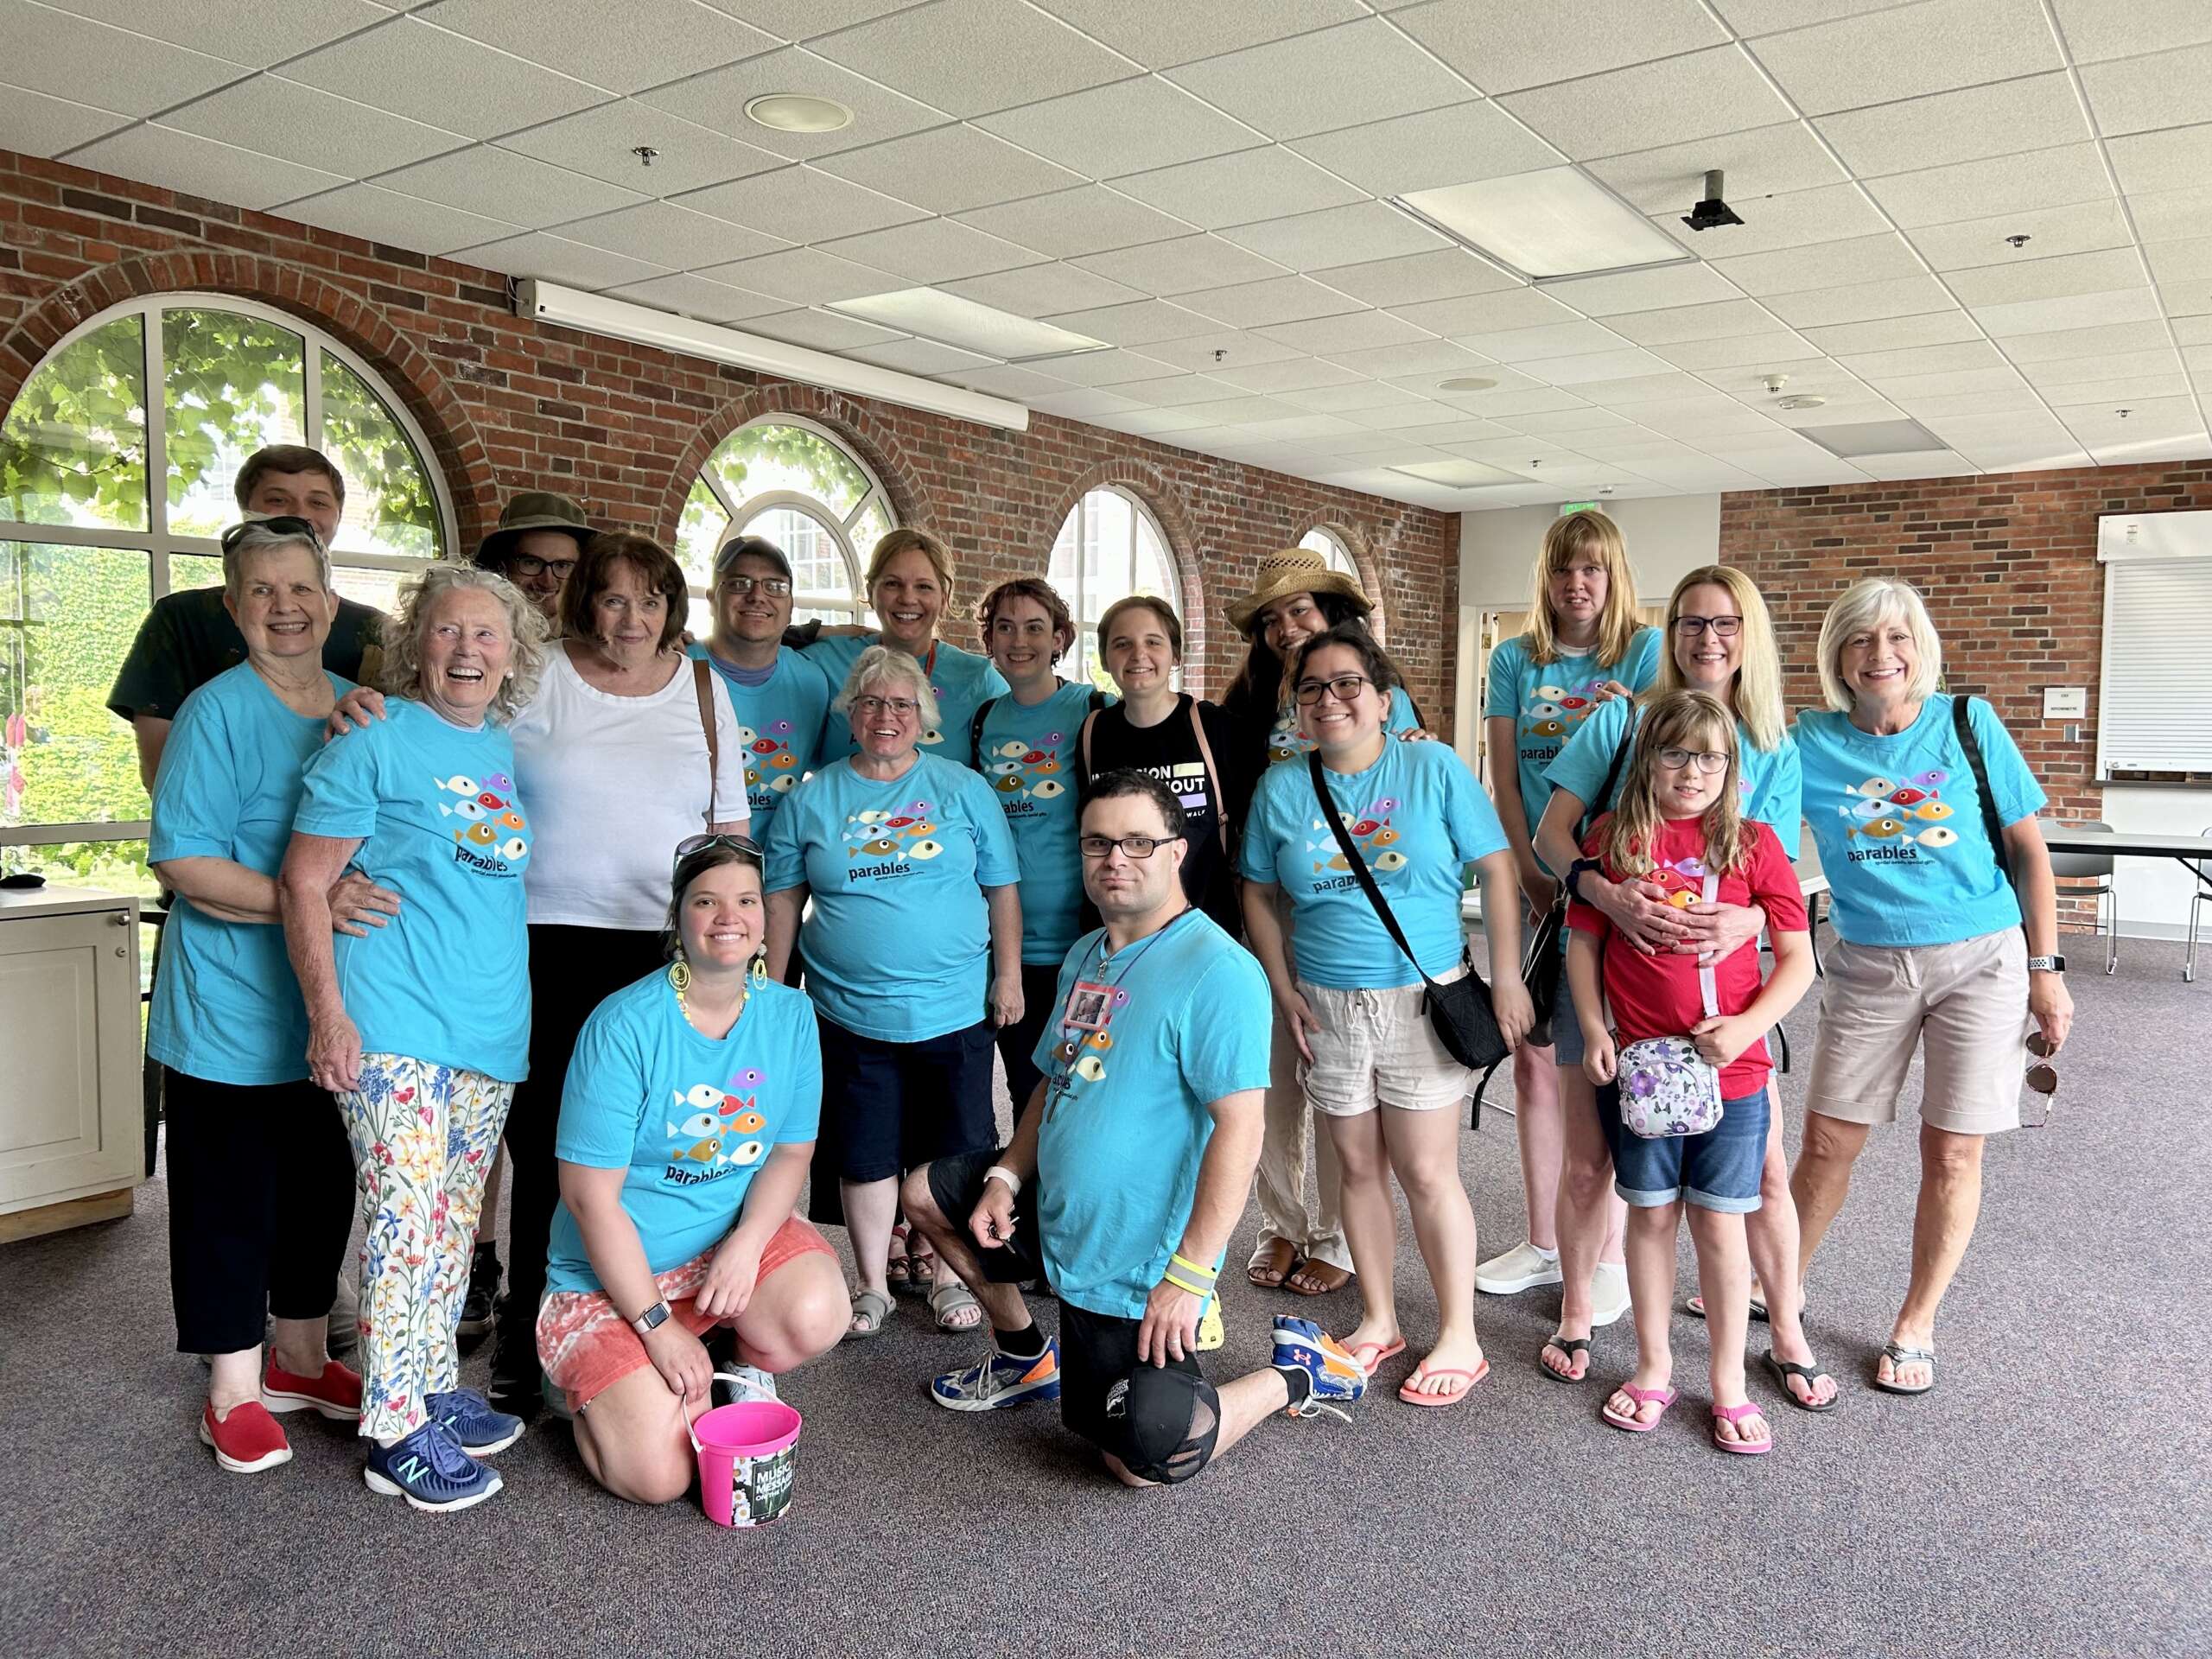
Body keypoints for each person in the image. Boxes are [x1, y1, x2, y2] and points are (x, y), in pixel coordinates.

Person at [903, 771, 1369, 1484]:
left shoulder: (1220, 971)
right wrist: (1004, 1177)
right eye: (1098, 843)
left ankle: (1299, 1375)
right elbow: (1054, 1082)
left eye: (1137, 842)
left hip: (1135, 1266)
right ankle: (1027, 1358)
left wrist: (1189, 1275)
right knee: (928, 1195)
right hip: (1061, 1216)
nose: (1115, 858)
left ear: (1177, 852)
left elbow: (1241, 1134)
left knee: (1147, 1460)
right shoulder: (1087, 955)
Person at [280, 563, 548, 1513]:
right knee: (406, 1219)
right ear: (415, 645)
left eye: (485, 635)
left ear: (511, 655)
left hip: (486, 1028)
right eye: (446, 631)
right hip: (392, 1020)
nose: (465, 650)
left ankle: (431, 1387)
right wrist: (329, 1017)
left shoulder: (500, 748)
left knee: (448, 1229)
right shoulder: (373, 740)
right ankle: (395, 1431)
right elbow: (305, 882)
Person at [1532, 565, 1831, 1410]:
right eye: (1693, 623)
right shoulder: (1626, 720)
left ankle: (1786, 1330)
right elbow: (1560, 838)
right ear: (1672, 635)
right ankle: (1582, 1315)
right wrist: (1602, 891)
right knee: (1596, 1165)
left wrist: (1749, 924)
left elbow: (1775, 868)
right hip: (1616, 983)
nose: (1709, 639)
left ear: (1750, 634)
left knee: (1756, 1178)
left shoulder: (1771, 739)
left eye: (1727, 623)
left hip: (1725, 1008)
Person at [1787, 577, 2070, 1396]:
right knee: (1829, 1141)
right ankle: (1782, 1284)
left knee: (1952, 1148)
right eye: (1863, 640)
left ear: (1922, 648)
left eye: (1899, 637)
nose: (1883, 656)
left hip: (1982, 960)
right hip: (1870, 963)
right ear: (1837, 655)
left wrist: (2047, 975)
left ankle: (1915, 1324)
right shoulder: (1807, 742)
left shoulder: (1966, 722)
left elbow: (2030, 854)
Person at [488, 531, 750, 1415]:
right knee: (549, 1145)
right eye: (611, 599)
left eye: (650, 601)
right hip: (543, 944)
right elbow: (456, 759)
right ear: (583, 605)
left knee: (663, 1145)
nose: (630, 618)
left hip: (659, 950)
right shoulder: (536, 678)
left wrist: (732, 956)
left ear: (673, 610)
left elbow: (729, 836)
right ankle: (531, 1330)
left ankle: (663, 1328)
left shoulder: (705, 691)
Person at [148, 519, 389, 1473]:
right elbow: (186, 862)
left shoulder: (356, 709)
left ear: (330, 603)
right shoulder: (214, 711)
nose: (285, 607)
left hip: (325, 1006)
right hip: (229, 1011)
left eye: (302, 590)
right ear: (231, 606)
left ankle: (298, 1358)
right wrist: (315, 904)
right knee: (229, 1199)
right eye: (262, 591)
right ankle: (233, 1390)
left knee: (320, 1187)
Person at [1239, 626, 1530, 1405]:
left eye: (1346, 684)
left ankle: (1460, 1337)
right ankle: (1378, 1319)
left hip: (1418, 997)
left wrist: (1505, 979)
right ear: (1297, 710)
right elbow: (1258, 895)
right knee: (1360, 1170)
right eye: (1311, 689)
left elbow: (1499, 870)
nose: (1328, 700)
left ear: (1383, 698)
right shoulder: (1282, 789)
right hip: (1328, 1008)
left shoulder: (1430, 768)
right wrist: (1282, 983)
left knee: (1428, 1172)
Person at [537, 836, 849, 1503]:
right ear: (678, 919)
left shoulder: (791, 1015)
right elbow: (591, 1201)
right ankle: (584, 1388)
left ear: (767, 920)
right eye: (705, 901)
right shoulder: (623, 1026)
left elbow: (793, 1152)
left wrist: (747, 1243)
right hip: (613, 1275)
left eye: (744, 901)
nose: (726, 916)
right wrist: (656, 1326)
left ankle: (723, 1356)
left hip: (718, 1249)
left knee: (817, 1314)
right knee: (658, 1478)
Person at [1565, 691, 1815, 1452]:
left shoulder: (1755, 844)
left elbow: (1799, 962)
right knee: (1649, 1215)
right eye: (1675, 753)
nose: (1692, 770)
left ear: (1732, 768)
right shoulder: (1615, 838)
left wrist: (1744, 1029)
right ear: (1648, 761)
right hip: (1644, 1071)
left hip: (1734, 1076)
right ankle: (1651, 1367)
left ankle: (1731, 1383)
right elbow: (1584, 943)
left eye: (1710, 756)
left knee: (1720, 1222)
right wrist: (1591, 1025)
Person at [763, 645, 1021, 1338]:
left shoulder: (962, 789)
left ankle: (946, 1277)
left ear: (924, 717)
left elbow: (1002, 889)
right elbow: (783, 898)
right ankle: (872, 1283)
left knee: (956, 1148)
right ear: (851, 713)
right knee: (866, 1152)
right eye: (872, 702)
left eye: (902, 704)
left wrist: (1009, 975)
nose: (886, 716)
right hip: (848, 1010)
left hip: (954, 1007)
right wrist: (776, 991)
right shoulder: (813, 798)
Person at [1219, 549, 1420, 1299]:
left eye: (1299, 610)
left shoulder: (1380, 693)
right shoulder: (1248, 703)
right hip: (1273, 915)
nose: (1283, 628)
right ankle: (1280, 1223)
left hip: (1354, 926)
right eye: (1271, 619)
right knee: (1272, 1083)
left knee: (1344, 1082)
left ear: (1336, 614)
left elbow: (1409, 790)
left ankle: (1335, 1230)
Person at [1475, 510, 1662, 1304]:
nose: (1576, 584)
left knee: (1608, 1058)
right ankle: (1544, 1240)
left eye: (1592, 570)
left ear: (1614, 577)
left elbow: (1669, 756)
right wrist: (1529, 867)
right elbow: (1509, 780)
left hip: (1620, 884)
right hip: (1543, 878)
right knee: (1533, 1059)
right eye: (1563, 570)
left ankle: (1610, 1251)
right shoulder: (1515, 658)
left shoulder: (1648, 651)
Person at [109, 444, 380, 791]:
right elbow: (166, 776)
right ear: (246, 511)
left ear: (338, 516)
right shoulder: (181, 619)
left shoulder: (374, 629)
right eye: (278, 500)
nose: (300, 514)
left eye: (318, 502)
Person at [970, 576, 1106, 1116]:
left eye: (1034, 627)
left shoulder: (1092, 708)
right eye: (1005, 627)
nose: (1018, 640)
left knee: (1081, 1090)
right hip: (1004, 947)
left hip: (1082, 942)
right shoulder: (984, 720)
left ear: (1060, 639)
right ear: (989, 641)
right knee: (1026, 1089)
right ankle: (1026, 1198)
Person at [1073, 594, 1239, 937]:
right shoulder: (1093, 733)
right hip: (1118, 934)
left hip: (1205, 928)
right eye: (1122, 644)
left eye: (1153, 642)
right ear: (1105, 658)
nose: (1138, 655)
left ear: (1175, 654)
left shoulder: (1211, 725)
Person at [802, 527, 1007, 769]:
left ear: (944, 597)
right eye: (892, 584)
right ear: (871, 592)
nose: (908, 598)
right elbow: (757, 638)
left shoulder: (977, 677)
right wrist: (821, 630)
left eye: (924, 587)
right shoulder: (829, 660)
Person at [688, 532, 833, 845]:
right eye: (739, 583)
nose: (757, 595)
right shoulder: (675, 669)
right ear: (713, 599)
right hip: (688, 870)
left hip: (774, 875)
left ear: (791, 605)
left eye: (775, 586)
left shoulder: (812, 682)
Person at [474, 489, 593, 625]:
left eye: (562, 565)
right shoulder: (476, 631)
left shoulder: (597, 639)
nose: (547, 581)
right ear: (502, 566)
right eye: (532, 563)